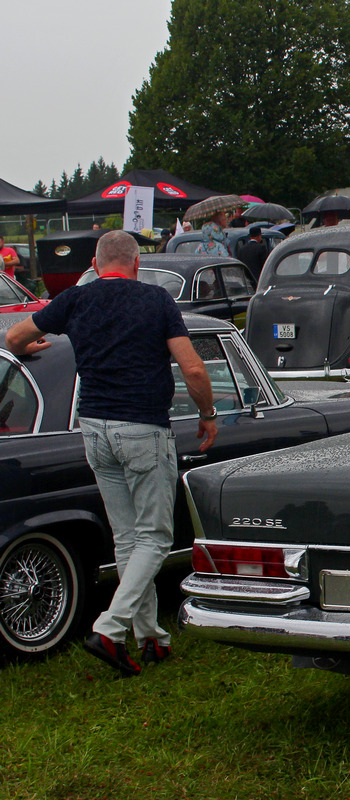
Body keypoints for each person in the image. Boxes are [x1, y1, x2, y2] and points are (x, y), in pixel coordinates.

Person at [4, 231, 218, 676]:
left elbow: (13, 336)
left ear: (97, 266)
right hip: (142, 427)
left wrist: (28, 346)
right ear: (136, 264)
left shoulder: (74, 300)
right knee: (156, 538)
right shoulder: (156, 301)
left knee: (128, 539)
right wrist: (208, 413)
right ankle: (110, 627)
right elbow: (193, 367)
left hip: (95, 430)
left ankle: (151, 638)